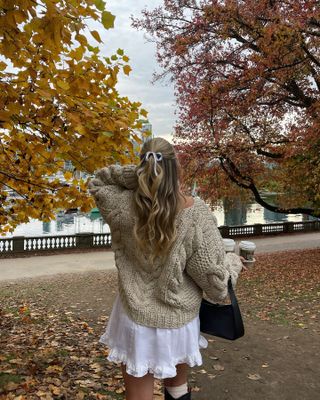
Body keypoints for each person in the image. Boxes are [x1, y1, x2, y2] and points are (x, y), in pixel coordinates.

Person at [88, 137, 245, 400]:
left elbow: (100, 180)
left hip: (133, 314)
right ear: (177, 169)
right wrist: (234, 262)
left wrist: (142, 173)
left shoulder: (122, 205)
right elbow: (217, 286)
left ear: (140, 167)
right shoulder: (195, 213)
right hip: (177, 319)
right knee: (177, 389)